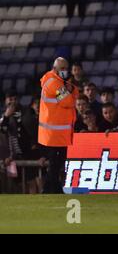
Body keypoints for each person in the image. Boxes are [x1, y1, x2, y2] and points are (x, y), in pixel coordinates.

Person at [38, 57, 79, 194]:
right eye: (62, 68)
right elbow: (68, 102)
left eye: (66, 68)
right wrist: (70, 91)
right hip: (54, 133)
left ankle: (54, 189)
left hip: (57, 133)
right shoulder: (54, 83)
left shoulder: (58, 81)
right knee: (55, 164)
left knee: (57, 163)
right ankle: (48, 190)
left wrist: (70, 89)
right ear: (55, 69)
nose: (65, 71)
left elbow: (75, 93)